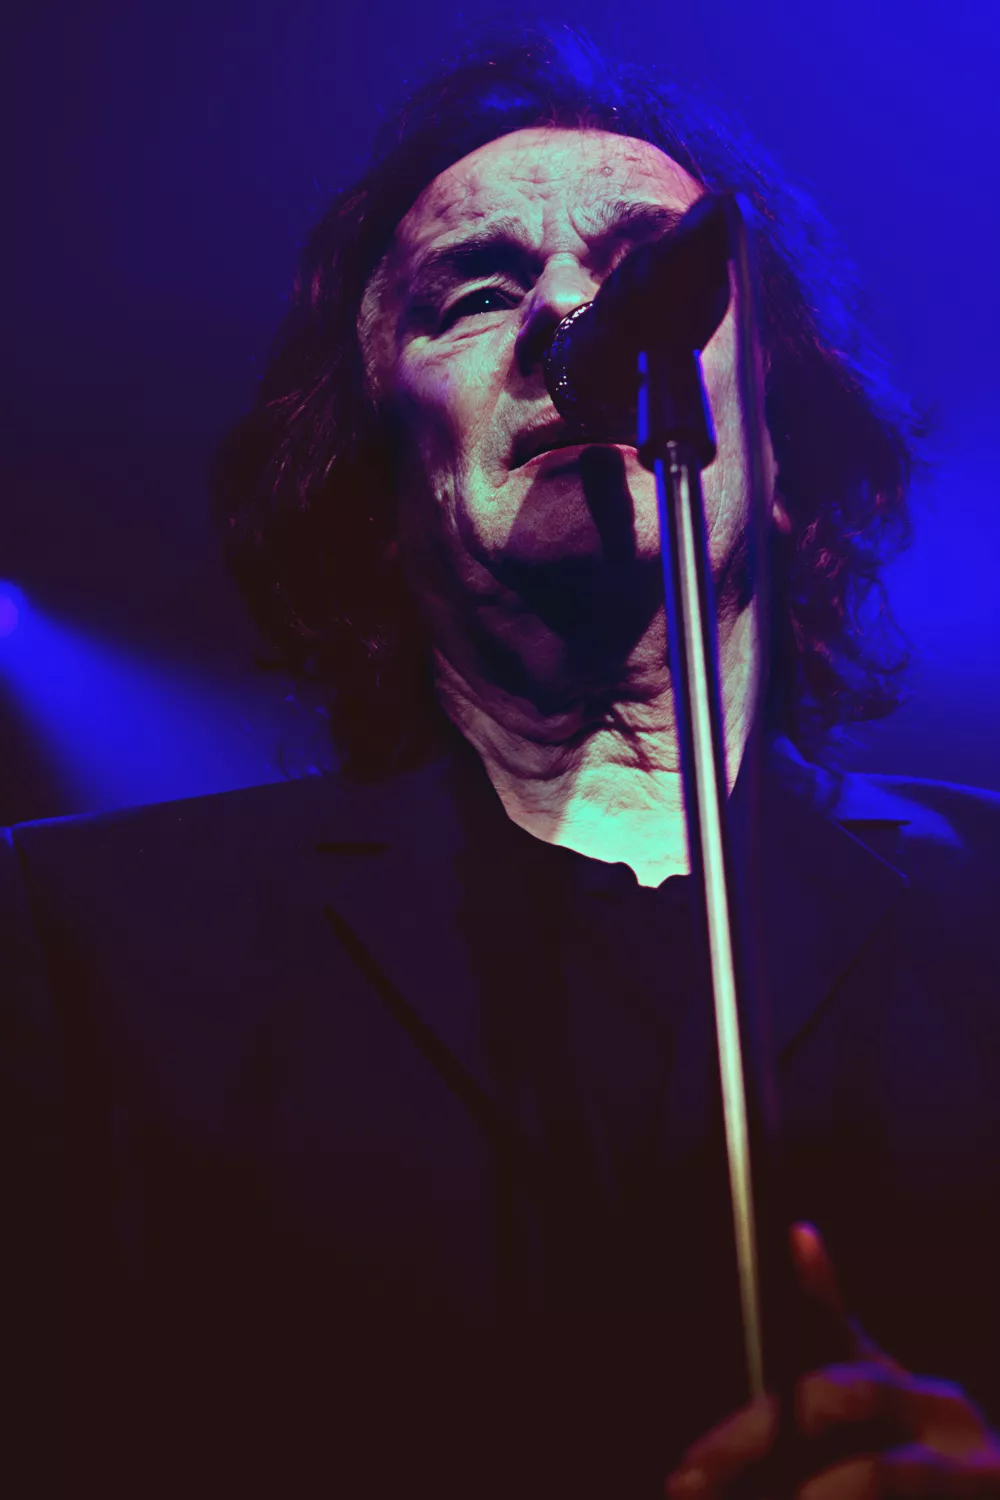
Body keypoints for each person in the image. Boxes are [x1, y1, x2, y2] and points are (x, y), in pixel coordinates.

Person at [3, 26, 1000, 1500]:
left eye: (655, 274)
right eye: (477, 293)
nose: (571, 322)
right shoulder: (89, 944)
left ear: (784, 453)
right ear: (375, 479)